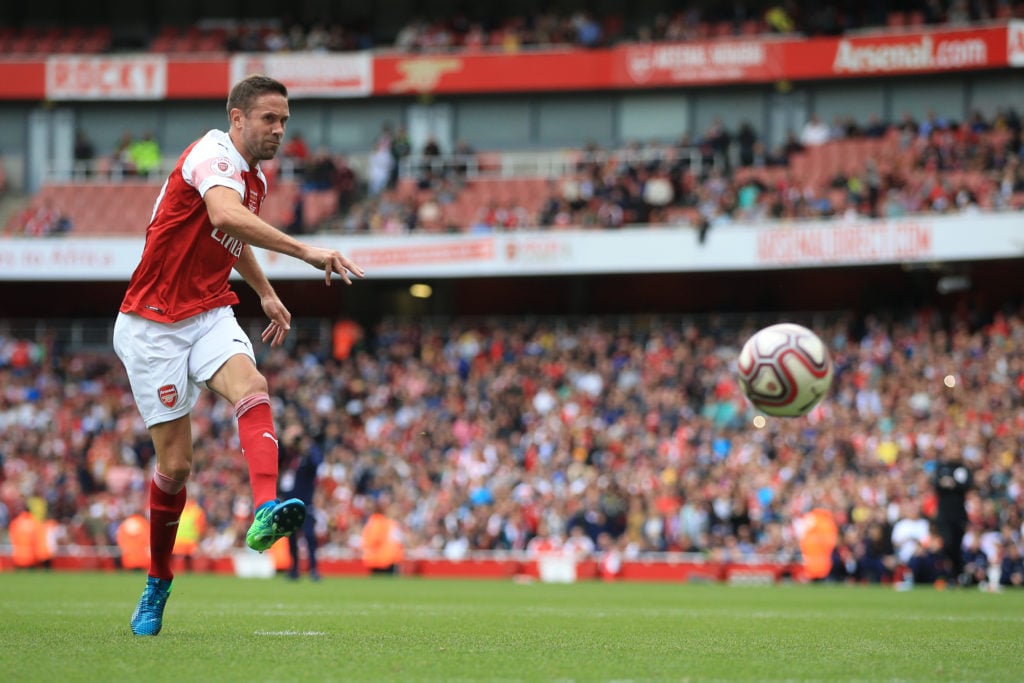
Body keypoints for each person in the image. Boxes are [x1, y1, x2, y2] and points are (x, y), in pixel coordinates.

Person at [113, 74, 365, 637]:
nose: (279, 130)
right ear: (237, 117)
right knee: (176, 468)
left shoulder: (252, 178)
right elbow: (225, 216)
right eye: (270, 119)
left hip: (205, 309)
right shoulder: (210, 155)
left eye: (285, 121)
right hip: (151, 324)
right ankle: (158, 580)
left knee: (253, 384)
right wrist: (305, 251)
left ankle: (263, 511)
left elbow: (231, 238)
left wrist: (265, 290)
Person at [279, 429, 324, 581]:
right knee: (291, 538)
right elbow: (277, 460)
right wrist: (286, 444)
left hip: (305, 503)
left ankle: (313, 569)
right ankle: (294, 568)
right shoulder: (290, 457)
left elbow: (317, 463)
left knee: (309, 536)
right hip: (289, 503)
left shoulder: (307, 457)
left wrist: (308, 449)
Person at [933, 447, 972, 585]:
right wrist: (950, 485)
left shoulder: (963, 469)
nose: (954, 453)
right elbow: (936, 485)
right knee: (947, 543)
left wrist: (952, 484)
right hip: (944, 515)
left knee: (957, 545)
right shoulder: (941, 468)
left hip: (959, 515)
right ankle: (955, 572)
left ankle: (956, 575)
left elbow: (967, 485)